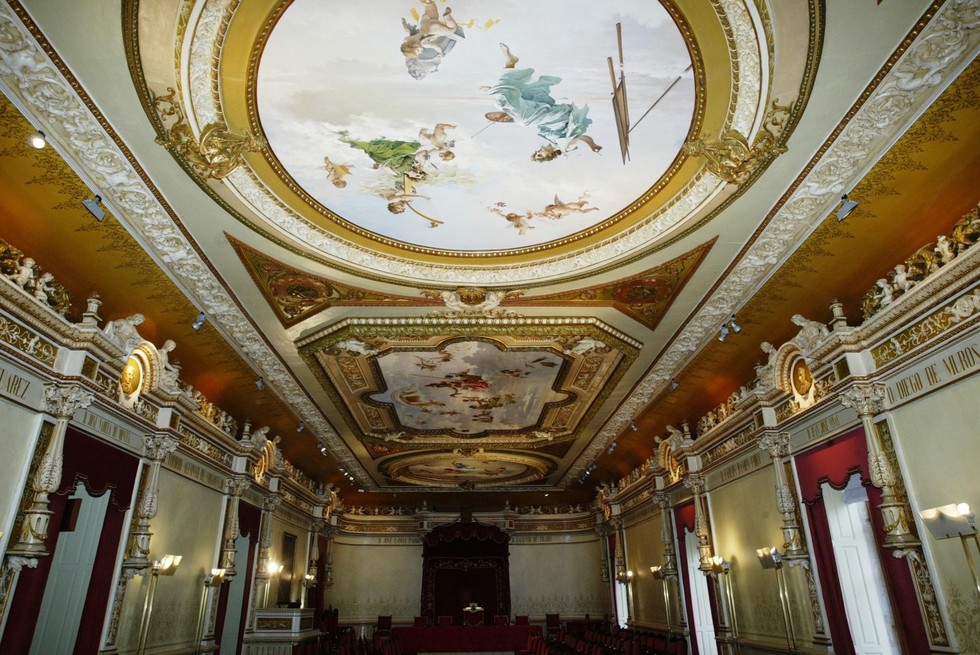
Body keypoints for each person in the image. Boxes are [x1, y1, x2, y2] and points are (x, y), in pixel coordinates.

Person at [485, 44, 602, 162]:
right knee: (524, 121)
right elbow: (583, 138)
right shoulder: (565, 147)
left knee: (516, 99)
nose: (538, 151)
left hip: (546, 113)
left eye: (536, 153)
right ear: (550, 156)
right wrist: (592, 145)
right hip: (559, 116)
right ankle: (503, 96)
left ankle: (510, 65)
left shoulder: (547, 137)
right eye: (540, 155)